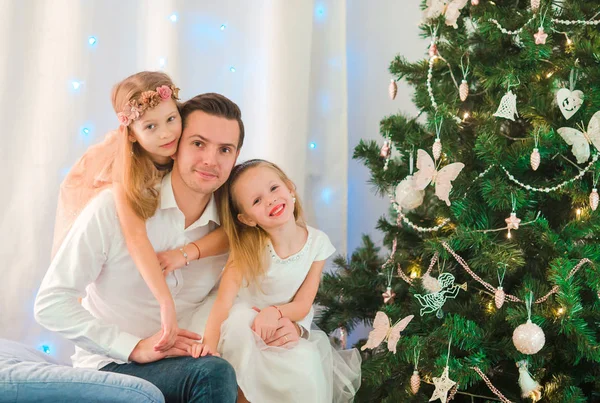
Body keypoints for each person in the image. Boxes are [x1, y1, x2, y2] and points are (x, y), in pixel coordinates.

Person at [35, 91, 251, 402]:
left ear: (235, 156)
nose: (210, 160)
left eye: (225, 150)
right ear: (174, 144)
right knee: (215, 372)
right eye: (198, 143)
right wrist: (132, 346)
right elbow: (50, 303)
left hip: (189, 365)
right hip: (112, 367)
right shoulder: (114, 208)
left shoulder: (235, 223)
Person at [50, 71, 229, 354]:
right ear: (131, 133)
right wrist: (165, 302)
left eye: (172, 119)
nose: (166, 133)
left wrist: (186, 253)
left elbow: (237, 233)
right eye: (150, 127)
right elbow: (135, 237)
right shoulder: (125, 176)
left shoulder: (198, 163)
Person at [191, 159, 362, 403]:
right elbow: (223, 302)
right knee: (242, 330)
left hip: (281, 321)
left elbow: (303, 304)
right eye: (257, 201)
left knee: (305, 366)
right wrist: (209, 346)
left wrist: (274, 312)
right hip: (240, 321)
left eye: (274, 189)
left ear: (290, 189)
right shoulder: (250, 247)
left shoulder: (317, 244)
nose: (270, 200)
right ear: (247, 219)